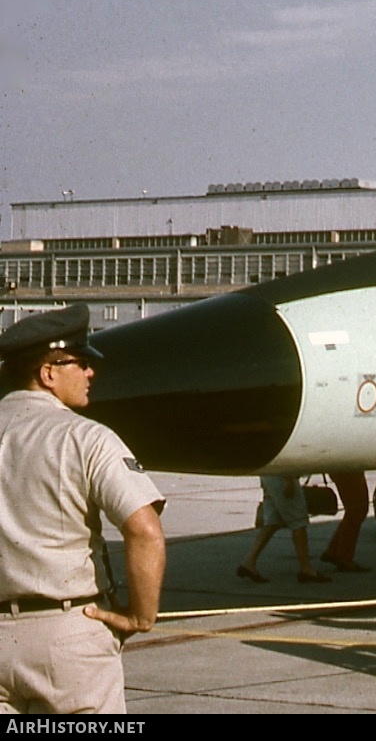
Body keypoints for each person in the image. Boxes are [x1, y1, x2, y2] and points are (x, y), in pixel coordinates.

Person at [0, 304, 166, 714]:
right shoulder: (85, 437)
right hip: (68, 636)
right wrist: (140, 617)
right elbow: (144, 529)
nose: (92, 372)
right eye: (82, 362)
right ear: (48, 372)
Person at [236, 475, 333, 584]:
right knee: (298, 521)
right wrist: (288, 480)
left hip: (269, 475)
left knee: (273, 521)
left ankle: (248, 562)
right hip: (282, 476)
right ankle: (306, 569)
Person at [320, 471, 372, 572]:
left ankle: (335, 550)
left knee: (356, 509)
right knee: (356, 510)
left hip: (347, 467)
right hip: (347, 468)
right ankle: (343, 555)